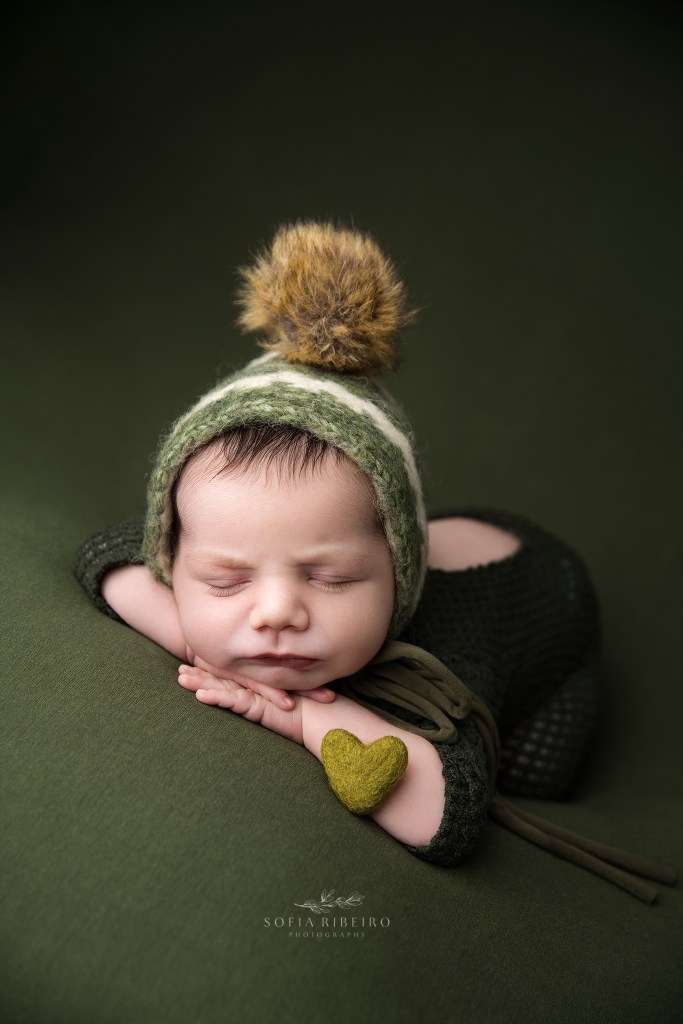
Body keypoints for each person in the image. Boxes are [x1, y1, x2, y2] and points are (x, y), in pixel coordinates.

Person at [75, 221, 606, 872]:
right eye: (224, 580)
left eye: (328, 579)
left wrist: (301, 719)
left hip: (553, 620)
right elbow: (106, 557)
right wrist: (196, 639)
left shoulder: (450, 656)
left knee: (535, 771)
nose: (274, 613)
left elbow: (446, 809)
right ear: (175, 559)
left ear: (397, 572)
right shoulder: (193, 558)